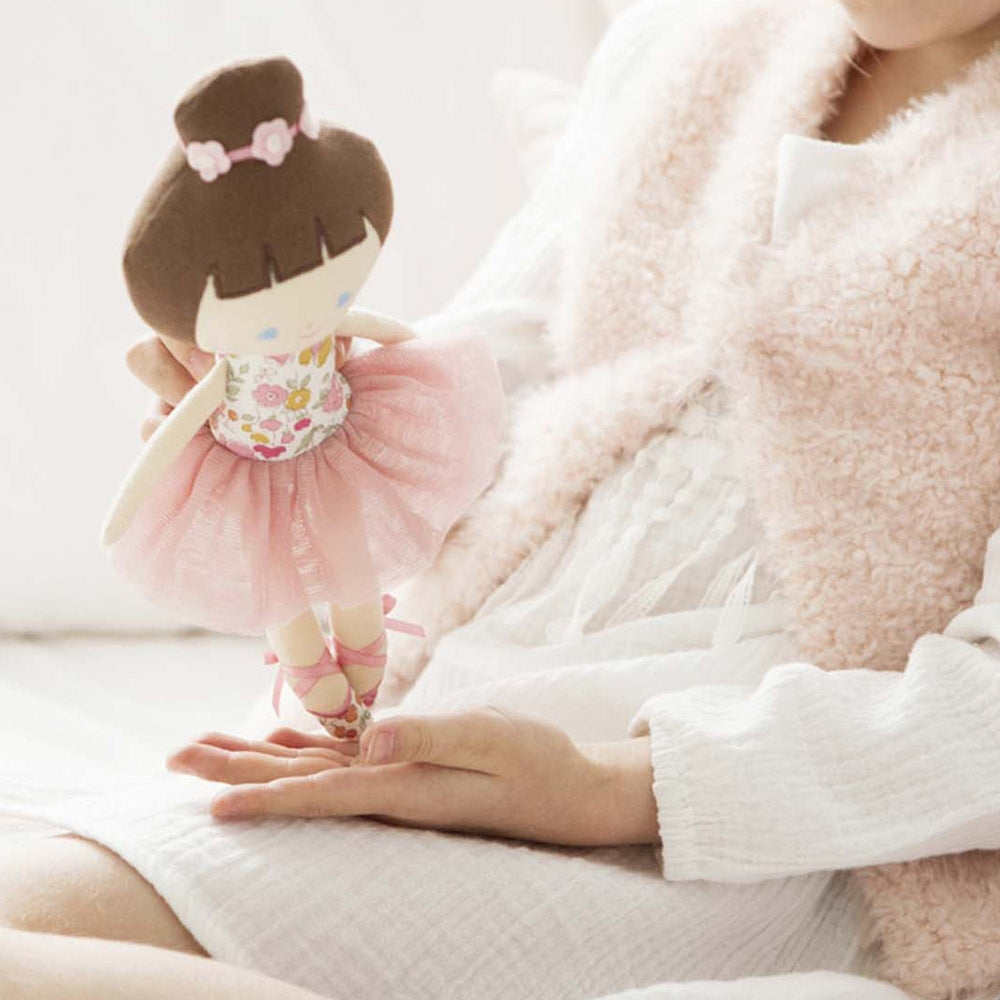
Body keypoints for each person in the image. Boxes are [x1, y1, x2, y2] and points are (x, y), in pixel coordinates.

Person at [5, 1, 1000, 998]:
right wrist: (300, 414)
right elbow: (486, 370)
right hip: (469, 704)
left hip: (764, 818)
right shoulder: (696, 42)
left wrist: (603, 787)